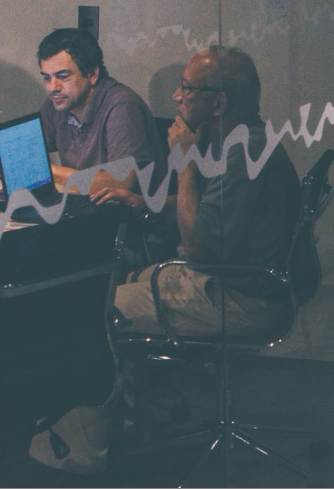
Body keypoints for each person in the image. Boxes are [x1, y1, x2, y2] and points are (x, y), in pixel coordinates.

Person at [111, 46, 300, 339]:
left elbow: (199, 250)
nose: (176, 96)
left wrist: (186, 163)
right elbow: (205, 211)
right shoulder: (243, 140)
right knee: (118, 279)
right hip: (232, 280)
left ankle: (130, 384)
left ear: (218, 103)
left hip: (245, 299)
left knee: (101, 305)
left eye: (186, 88)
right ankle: (136, 382)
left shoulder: (242, 154)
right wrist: (143, 203)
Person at [35, 27, 157, 207]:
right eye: (47, 78)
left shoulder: (122, 106)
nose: (53, 87)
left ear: (92, 74)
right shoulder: (58, 103)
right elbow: (21, 158)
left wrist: (48, 172)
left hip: (126, 224)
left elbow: (120, 184)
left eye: (63, 76)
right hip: (86, 211)